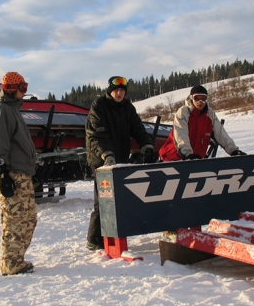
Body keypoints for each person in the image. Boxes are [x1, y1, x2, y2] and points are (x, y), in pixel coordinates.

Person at [85, 76, 156, 251]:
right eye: (116, 90)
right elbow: (97, 134)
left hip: (120, 158)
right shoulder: (99, 106)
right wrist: (106, 154)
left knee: (119, 199)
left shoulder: (127, 107)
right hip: (101, 160)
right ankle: (94, 239)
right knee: (103, 199)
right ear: (110, 91)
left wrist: (146, 145)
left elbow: (138, 128)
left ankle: (114, 234)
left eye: (122, 91)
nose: (119, 93)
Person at [0, 71, 37, 275]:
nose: (25, 93)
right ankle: (10, 263)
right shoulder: (2, 111)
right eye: (22, 88)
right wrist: (2, 173)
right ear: (11, 89)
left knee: (28, 218)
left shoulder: (12, 110)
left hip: (22, 172)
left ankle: (17, 259)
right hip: (12, 173)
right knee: (15, 219)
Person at [158, 85, 245, 161]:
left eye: (203, 99)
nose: (200, 102)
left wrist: (233, 150)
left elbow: (220, 133)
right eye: (197, 99)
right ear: (191, 98)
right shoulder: (184, 112)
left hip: (196, 161)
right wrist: (187, 154)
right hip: (173, 159)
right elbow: (181, 135)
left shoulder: (210, 114)